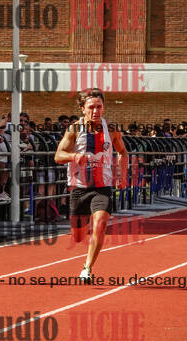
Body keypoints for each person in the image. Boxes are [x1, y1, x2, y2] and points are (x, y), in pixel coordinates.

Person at [54, 88, 128, 280]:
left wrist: (122, 175)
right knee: (78, 236)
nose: (96, 111)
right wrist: (74, 156)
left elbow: (122, 152)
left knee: (100, 224)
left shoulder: (111, 130)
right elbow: (58, 156)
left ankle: (87, 268)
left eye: (99, 107)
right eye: (91, 107)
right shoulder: (74, 129)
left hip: (103, 187)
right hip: (79, 188)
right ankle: (84, 226)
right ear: (82, 109)